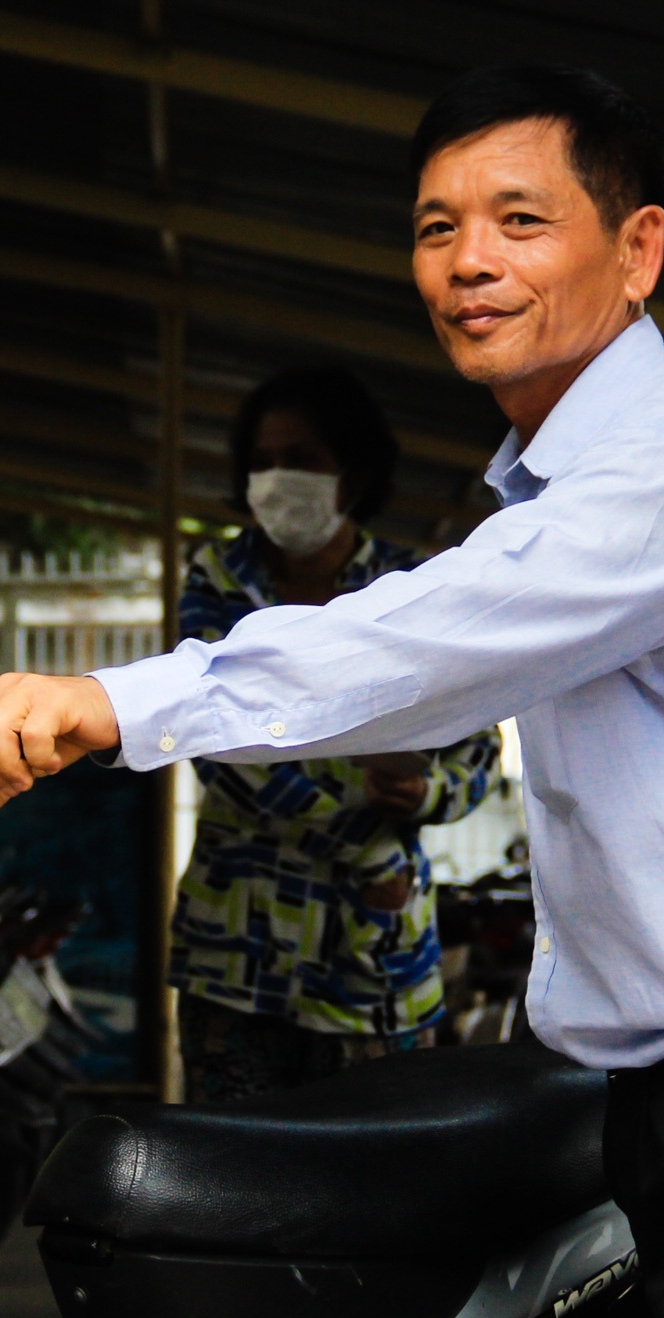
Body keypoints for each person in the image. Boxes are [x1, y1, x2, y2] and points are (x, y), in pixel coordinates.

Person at [0, 64, 664, 1318]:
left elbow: (429, 646)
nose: (470, 262)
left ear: (638, 250)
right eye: (437, 228)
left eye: (521, 221)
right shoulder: (567, 474)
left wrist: (110, 706)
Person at [173, 366, 501, 1102]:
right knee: (233, 1162)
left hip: (373, 961)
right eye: (262, 461)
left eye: (302, 459)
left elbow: (476, 745)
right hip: (237, 953)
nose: (277, 479)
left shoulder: (409, 589)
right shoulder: (218, 579)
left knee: (373, 1162)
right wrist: (369, 842)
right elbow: (218, 740)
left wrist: (428, 791)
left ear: (354, 472)